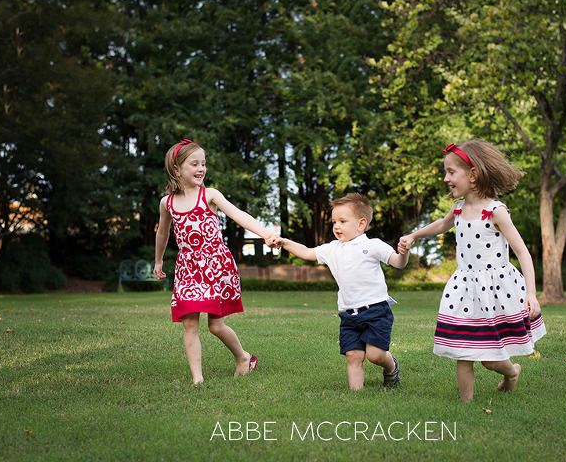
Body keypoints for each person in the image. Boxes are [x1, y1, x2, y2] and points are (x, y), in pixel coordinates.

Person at [398, 140, 546, 402]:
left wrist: (531, 294)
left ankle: (511, 373)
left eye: (451, 172)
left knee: (490, 361)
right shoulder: (457, 208)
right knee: (461, 351)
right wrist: (414, 235)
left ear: (473, 174)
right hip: (464, 287)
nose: (446, 178)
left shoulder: (495, 211)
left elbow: (522, 252)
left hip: (496, 289)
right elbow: (442, 225)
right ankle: (465, 404)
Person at [154, 139, 278, 384]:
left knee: (215, 326)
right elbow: (162, 233)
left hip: (214, 266)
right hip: (188, 268)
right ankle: (197, 380)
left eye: (203, 164)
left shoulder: (209, 195)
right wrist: (158, 262)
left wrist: (265, 234)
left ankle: (243, 357)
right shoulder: (167, 203)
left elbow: (238, 214)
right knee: (189, 324)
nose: (201, 169)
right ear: (177, 169)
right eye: (194, 164)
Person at [274, 193, 409, 390]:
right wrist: (285, 242)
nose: (336, 226)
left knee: (375, 355)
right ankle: (356, 397)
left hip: (376, 311)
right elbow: (306, 251)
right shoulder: (332, 249)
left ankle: (391, 366)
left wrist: (403, 254)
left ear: (361, 224)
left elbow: (398, 263)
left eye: (343, 221)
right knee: (353, 355)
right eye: (334, 222)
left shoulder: (372, 245)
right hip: (348, 314)